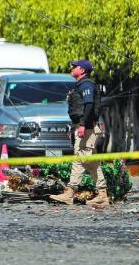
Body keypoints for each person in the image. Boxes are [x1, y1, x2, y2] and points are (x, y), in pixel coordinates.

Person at [50, 59, 108, 207]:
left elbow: (88, 105)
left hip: (87, 128)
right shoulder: (81, 85)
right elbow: (79, 109)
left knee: (80, 160)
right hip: (83, 127)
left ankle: (70, 193)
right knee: (91, 163)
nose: (72, 68)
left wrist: (82, 125)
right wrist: (76, 126)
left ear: (82, 70)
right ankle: (102, 195)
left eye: (75, 66)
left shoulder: (86, 84)